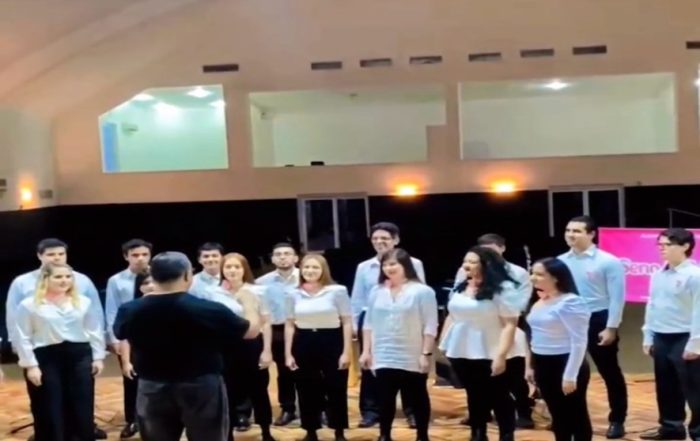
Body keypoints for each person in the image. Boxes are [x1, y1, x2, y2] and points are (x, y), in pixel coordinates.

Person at [114, 251, 260, 441]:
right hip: (201, 386)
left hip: (151, 386)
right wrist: (249, 304)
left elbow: (119, 333)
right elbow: (250, 332)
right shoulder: (206, 309)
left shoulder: (130, 309)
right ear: (186, 275)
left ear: (153, 275)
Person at [5, 238, 107, 441]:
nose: (64, 280)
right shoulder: (27, 298)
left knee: (81, 400)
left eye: (68, 276)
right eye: (51, 254)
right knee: (49, 402)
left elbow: (94, 328)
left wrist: (98, 356)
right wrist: (29, 362)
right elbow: (20, 331)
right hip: (45, 354)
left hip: (78, 354)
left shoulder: (83, 298)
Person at [453, 234, 535, 429]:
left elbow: (521, 300)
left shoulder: (515, 273)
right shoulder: (464, 276)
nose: (468, 265)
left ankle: (523, 412)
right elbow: (455, 301)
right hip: (471, 335)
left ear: (502, 249)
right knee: (475, 387)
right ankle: (479, 423)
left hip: (504, 329)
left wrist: (506, 313)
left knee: (509, 383)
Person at [440, 246, 520, 441]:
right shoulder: (461, 286)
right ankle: (478, 433)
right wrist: (443, 343)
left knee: (498, 395)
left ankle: (506, 435)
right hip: (462, 349)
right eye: (465, 261)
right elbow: (452, 315)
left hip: (491, 349)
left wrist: (500, 356)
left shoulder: (503, 289)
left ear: (486, 265)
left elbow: (510, 324)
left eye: (472, 261)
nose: (466, 265)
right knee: (474, 393)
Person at [559, 215, 628, 439]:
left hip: (598, 318)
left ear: (591, 234)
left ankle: (617, 419)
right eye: (568, 230)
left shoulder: (608, 261)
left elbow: (617, 298)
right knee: (569, 370)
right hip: (568, 319)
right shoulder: (560, 261)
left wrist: (611, 327)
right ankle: (570, 418)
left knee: (609, 371)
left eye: (577, 231)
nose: (571, 235)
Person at [351, 222, 425, 428]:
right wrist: (354, 324)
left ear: (396, 240)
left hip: (406, 319)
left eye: (384, 238)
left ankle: (412, 411)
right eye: (375, 239)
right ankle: (370, 411)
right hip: (372, 321)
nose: (379, 242)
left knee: (408, 366)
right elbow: (357, 298)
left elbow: (421, 292)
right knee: (370, 366)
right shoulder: (364, 267)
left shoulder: (414, 263)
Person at [359, 248, 437, 441]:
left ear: (405, 266)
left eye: (393, 264)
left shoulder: (422, 291)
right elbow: (368, 323)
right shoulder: (377, 291)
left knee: (418, 396)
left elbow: (430, 325)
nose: (388, 268)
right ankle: (384, 435)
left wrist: (426, 353)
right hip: (383, 351)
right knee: (385, 397)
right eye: (385, 265)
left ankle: (422, 436)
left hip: (412, 351)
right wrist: (366, 351)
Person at [200, 252, 275, 441]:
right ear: (222, 270)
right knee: (228, 391)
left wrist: (267, 350)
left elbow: (266, 322)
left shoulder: (258, 291)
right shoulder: (212, 293)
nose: (232, 270)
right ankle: (228, 433)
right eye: (228, 267)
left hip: (252, 344)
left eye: (237, 267)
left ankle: (266, 431)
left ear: (244, 269)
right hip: (225, 347)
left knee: (259, 390)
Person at [640, 228, 700, 441]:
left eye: (668, 244)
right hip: (662, 336)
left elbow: (699, 311)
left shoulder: (695, 275)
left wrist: (695, 343)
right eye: (660, 245)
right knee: (666, 387)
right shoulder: (658, 274)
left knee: (694, 389)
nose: (662, 249)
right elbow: (652, 305)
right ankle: (671, 428)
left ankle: (698, 432)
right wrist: (648, 335)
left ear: (685, 246)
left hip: (686, 336)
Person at [285, 253, 352, 441]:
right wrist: (288, 354)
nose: (310, 271)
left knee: (336, 387)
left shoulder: (337, 290)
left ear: (323, 270)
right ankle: (311, 430)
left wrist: (346, 352)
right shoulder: (292, 293)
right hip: (304, 340)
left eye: (315, 267)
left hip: (332, 340)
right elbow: (289, 324)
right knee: (306, 388)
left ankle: (339, 431)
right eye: (306, 267)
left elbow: (347, 321)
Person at [527, 258, 592, 441]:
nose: (533, 278)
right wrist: (530, 366)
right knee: (557, 414)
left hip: (565, 362)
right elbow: (534, 336)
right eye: (533, 273)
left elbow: (579, 341)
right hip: (542, 362)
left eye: (539, 274)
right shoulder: (541, 300)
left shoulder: (571, 302)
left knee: (576, 413)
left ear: (555, 277)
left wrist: (570, 375)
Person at [105, 238, 152, 439]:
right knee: (131, 377)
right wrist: (114, 338)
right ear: (126, 256)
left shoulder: (158, 275)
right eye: (135, 255)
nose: (140, 258)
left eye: (144, 254)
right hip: (128, 335)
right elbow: (111, 309)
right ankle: (133, 419)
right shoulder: (116, 280)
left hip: (156, 333)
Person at [256, 242, 301, 426]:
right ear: (273, 259)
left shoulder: (307, 276)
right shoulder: (261, 283)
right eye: (278, 254)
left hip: (304, 329)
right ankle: (288, 408)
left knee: (311, 371)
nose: (283, 257)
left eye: (287, 253)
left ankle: (317, 408)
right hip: (276, 330)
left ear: (296, 258)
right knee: (284, 371)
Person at [118, 270, 155, 397]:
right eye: (146, 283)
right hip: (138, 356)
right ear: (139, 286)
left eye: (154, 282)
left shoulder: (172, 306)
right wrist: (126, 362)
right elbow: (124, 337)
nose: (151, 286)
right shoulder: (130, 308)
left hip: (162, 358)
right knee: (134, 393)